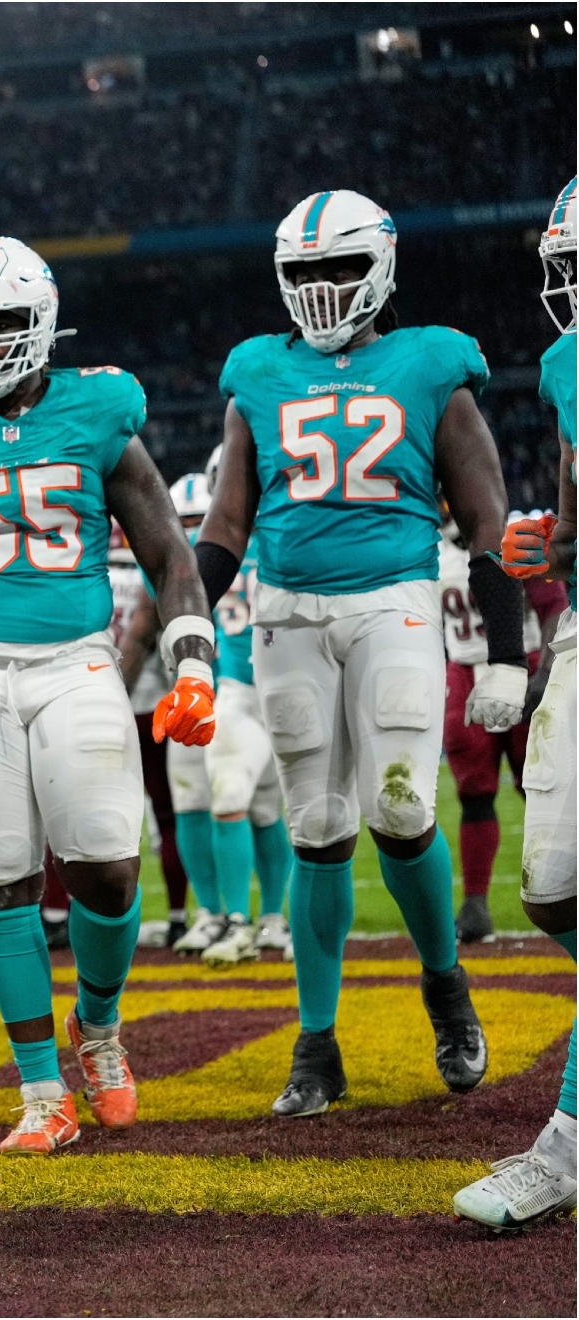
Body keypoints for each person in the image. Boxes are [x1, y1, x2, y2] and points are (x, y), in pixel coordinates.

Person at [0, 234, 215, 1157]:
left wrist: (191, 658)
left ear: (44, 323)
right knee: (3, 878)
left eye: (1, 320)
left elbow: (170, 553)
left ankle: (96, 1029)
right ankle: (39, 1089)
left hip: (75, 658)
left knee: (106, 862)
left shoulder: (100, 410)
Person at [197, 189, 520, 1118]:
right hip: (288, 613)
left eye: (339, 267)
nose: (322, 288)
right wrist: (188, 620)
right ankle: (317, 1044)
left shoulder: (429, 363)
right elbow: (227, 520)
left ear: (379, 265)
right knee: (319, 829)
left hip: (396, 604)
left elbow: (486, 516)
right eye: (304, 271)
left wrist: (503, 650)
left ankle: (445, 985)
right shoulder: (257, 371)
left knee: (402, 805)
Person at [455, 177, 579, 1228]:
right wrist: (553, 539)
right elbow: (574, 509)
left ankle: (568, 1146)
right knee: (550, 884)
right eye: (568, 267)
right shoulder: (565, 364)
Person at [126, 466, 295, 965]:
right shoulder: (235, 546)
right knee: (196, 802)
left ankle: (257, 917)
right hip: (199, 689)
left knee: (249, 805)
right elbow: (141, 627)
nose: (199, 527)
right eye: (188, 519)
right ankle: (221, 914)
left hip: (246, 690)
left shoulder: (270, 544)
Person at [437, 511, 542, 944]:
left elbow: (553, 606)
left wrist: (545, 675)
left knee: (540, 784)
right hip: (463, 670)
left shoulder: (517, 533)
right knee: (474, 791)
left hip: (524, 660)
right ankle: (476, 903)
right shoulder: (430, 551)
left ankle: (563, 885)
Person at [108, 522, 196, 947]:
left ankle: (78, 918)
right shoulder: (151, 575)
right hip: (155, 708)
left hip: (105, 706)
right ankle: (180, 915)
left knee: (96, 819)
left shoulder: (80, 576)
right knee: (169, 817)